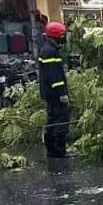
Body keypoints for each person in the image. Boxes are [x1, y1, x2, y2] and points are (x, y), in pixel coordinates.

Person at [38, 21, 70, 159]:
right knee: (60, 121)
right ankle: (58, 152)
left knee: (52, 120)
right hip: (55, 94)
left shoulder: (49, 50)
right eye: (62, 35)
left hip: (50, 93)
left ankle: (53, 151)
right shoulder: (50, 52)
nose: (64, 38)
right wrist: (62, 94)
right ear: (57, 36)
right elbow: (54, 77)